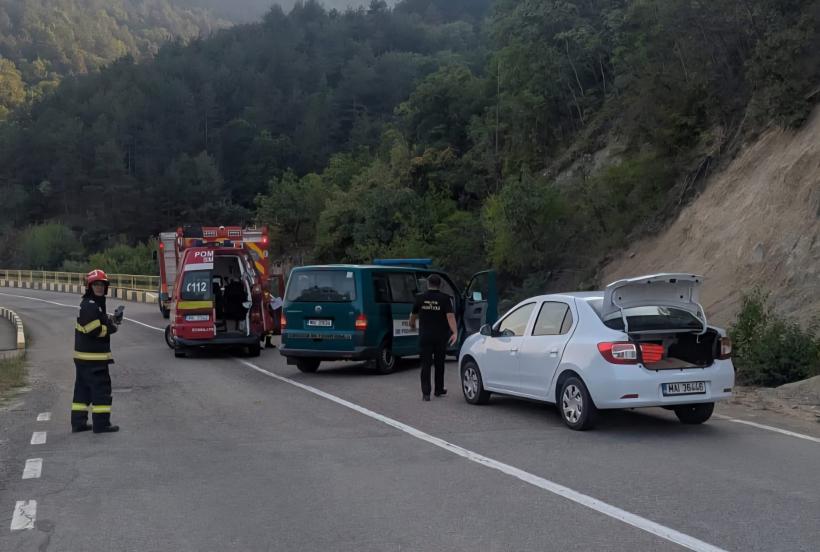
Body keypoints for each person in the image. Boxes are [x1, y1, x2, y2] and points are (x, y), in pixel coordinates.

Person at [71, 269, 122, 434]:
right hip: (94, 360)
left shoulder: (93, 305)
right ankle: (101, 424)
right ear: (90, 286)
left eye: (102, 285)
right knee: (101, 391)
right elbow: (94, 330)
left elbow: (101, 321)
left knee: (82, 392)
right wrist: (111, 329)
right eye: (96, 285)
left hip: (85, 359)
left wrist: (113, 320)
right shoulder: (90, 306)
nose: (100, 288)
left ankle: (79, 424)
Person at [409, 274, 458, 401]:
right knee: (439, 363)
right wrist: (455, 332)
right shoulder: (445, 298)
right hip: (440, 336)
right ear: (440, 285)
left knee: (425, 365)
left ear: (427, 284)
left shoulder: (420, 298)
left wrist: (412, 325)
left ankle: (426, 393)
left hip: (425, 336)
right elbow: (450, 316)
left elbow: (413, 315)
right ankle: (438, 389)